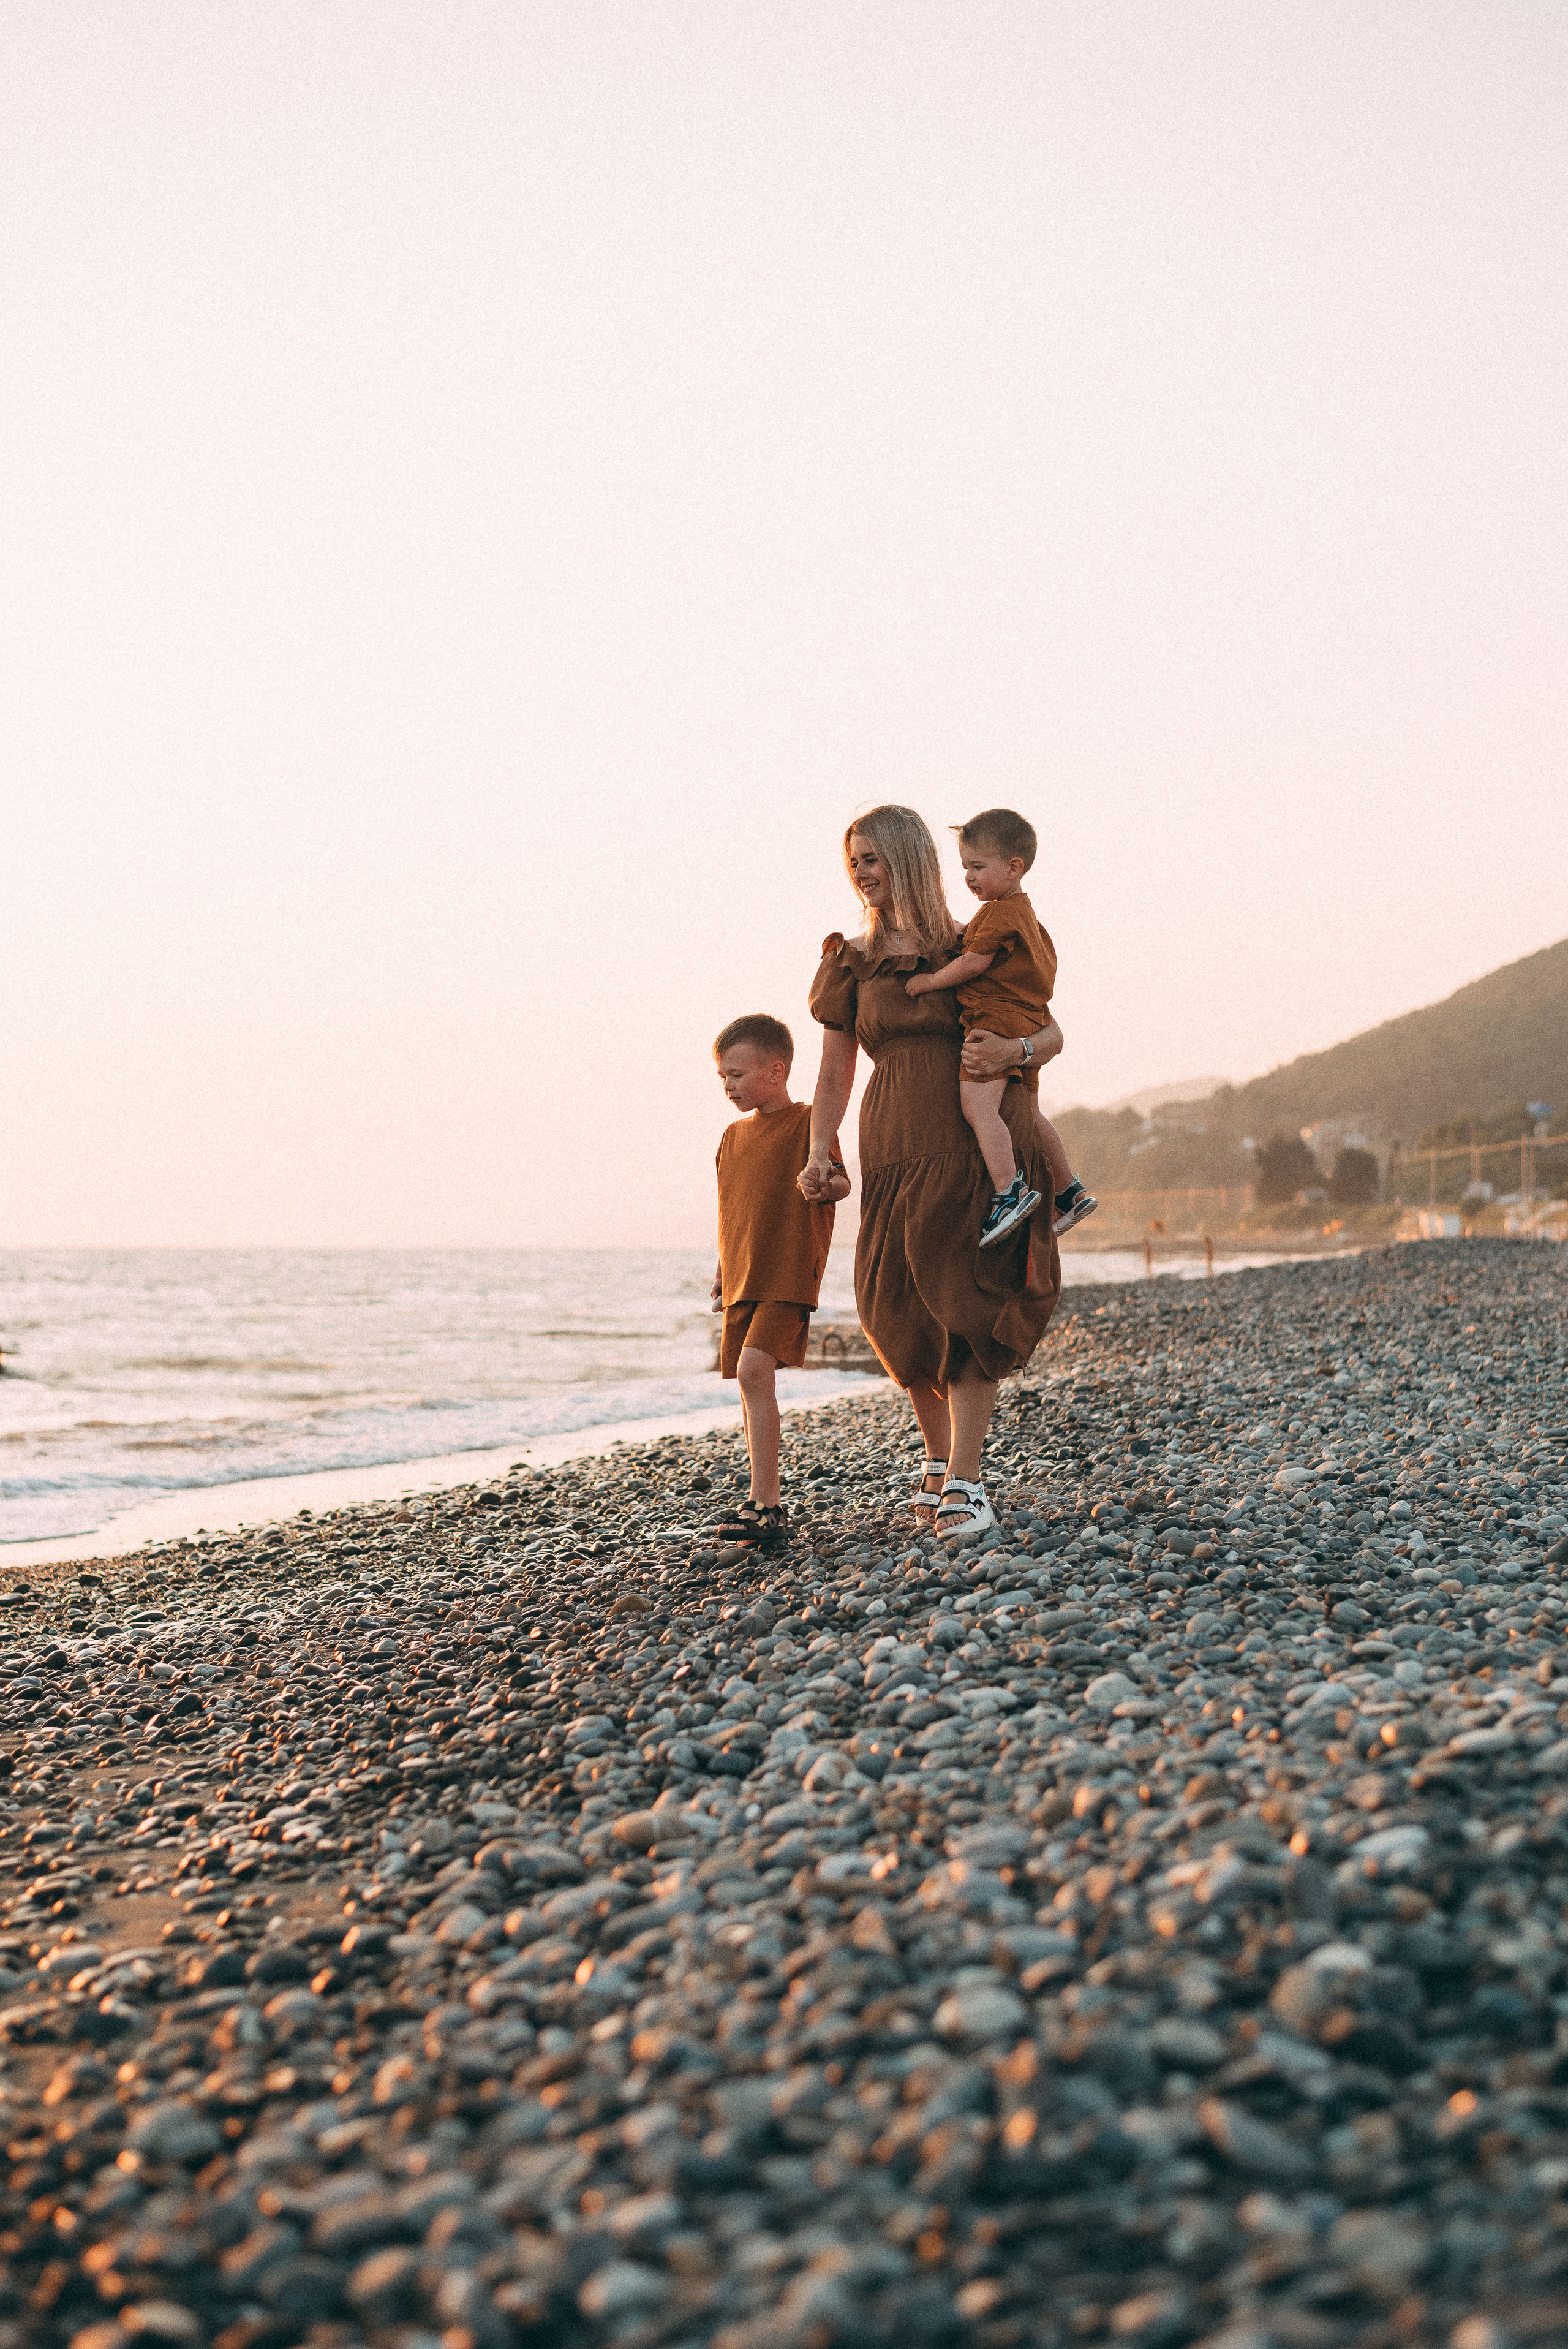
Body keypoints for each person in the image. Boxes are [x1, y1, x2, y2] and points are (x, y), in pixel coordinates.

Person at [798, 806, 1065, 1540]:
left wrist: (1014, 1057)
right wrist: (822, 1152)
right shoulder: (849, 960)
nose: (860, 871)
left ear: (909, 860)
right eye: (853, 859)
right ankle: (937, 1458)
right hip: (889, 1142)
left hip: (969, 1138)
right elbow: (832, 1073)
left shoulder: (975, 939)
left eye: (873, 858)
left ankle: (967, 1481)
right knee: (896, 1307)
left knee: (966, 1297)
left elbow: (1048, 1031)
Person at [905, 806, 1097, 1244]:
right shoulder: (1030, 921)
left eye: (977, 867)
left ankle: (1009, 1192)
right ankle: (1068, 1189)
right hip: (1027, 1019)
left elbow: (974, 961)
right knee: (1029, 1114)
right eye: (964, 868)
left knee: (979, 1107)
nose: (969, 877)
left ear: (1014, 869)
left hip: (993, 1020)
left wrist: (930, 981)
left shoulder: (996, 914)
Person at [710, 1013, 849, 1548]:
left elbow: (840, 1183)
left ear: (776, 1069)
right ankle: (760, 1499)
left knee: (753, 1370)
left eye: (738, 1075)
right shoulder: (731, 1137)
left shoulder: (811, 1123)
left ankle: (768, 1505)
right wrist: (723, 1267)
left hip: (788, 1273)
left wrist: (824, 1186)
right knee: (750, 1386)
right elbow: (729, 1210)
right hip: (744, 1277)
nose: (729, 1086)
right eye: (723, 1077)